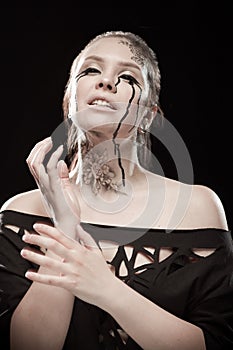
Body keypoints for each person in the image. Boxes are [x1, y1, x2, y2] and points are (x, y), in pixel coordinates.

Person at [0, 30, 232, 350]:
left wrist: (106, 289)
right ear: (71, 101)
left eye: (126, 76)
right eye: (91, 70)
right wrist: (66, 226)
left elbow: (216, 342)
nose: (106, 82)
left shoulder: (197, 206)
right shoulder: (21, 212)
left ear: (148, 115)